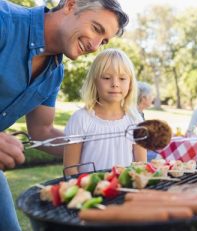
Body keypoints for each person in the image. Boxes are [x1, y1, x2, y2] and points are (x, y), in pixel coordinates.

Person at [0, 1, 128, 230]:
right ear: (70, 5)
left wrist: (102, 143)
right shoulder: (4, 20)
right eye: (97, 29)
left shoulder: (55, 72)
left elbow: (42, 131)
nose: (96, 46)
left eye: (105, 41)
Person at [63, 49, 147, 175]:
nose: (115, 84)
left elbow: (141, 167)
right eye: (107, 78)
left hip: (124, 191)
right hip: (89, 191)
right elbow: (70, 169)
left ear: (130, 84)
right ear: (94, 81)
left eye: (122, 78)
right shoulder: (80, 119)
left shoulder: (135, 120)